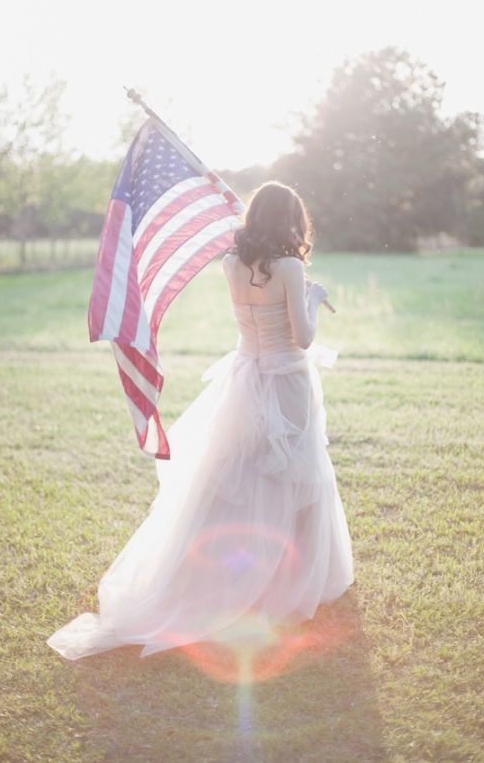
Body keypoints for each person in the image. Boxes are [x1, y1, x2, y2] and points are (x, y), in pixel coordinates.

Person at [46, 181, 354, 660]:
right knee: (293, 473)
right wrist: (314, 298)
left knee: (243, 476)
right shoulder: (292, 267)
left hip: (244, 377)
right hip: (286, 382)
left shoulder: (232, 264)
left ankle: (233, 573)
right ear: (291, 221)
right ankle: (283, 582)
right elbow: (303, 338)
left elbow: (257, 318)